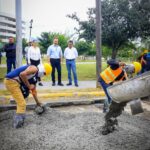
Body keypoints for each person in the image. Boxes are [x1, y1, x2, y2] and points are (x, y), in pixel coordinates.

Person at [4, 63, 52, 128]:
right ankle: (18, 123)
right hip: (11, 81)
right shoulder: (34, 68)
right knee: (22, 103)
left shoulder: (35, 77)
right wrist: (29, 86)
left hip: (14, 82)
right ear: (43, 71)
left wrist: (38, 102)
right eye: (45, 74)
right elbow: (22, 74)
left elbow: (34, 91)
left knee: (25, 94)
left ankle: (20, 115)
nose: (43, 76)